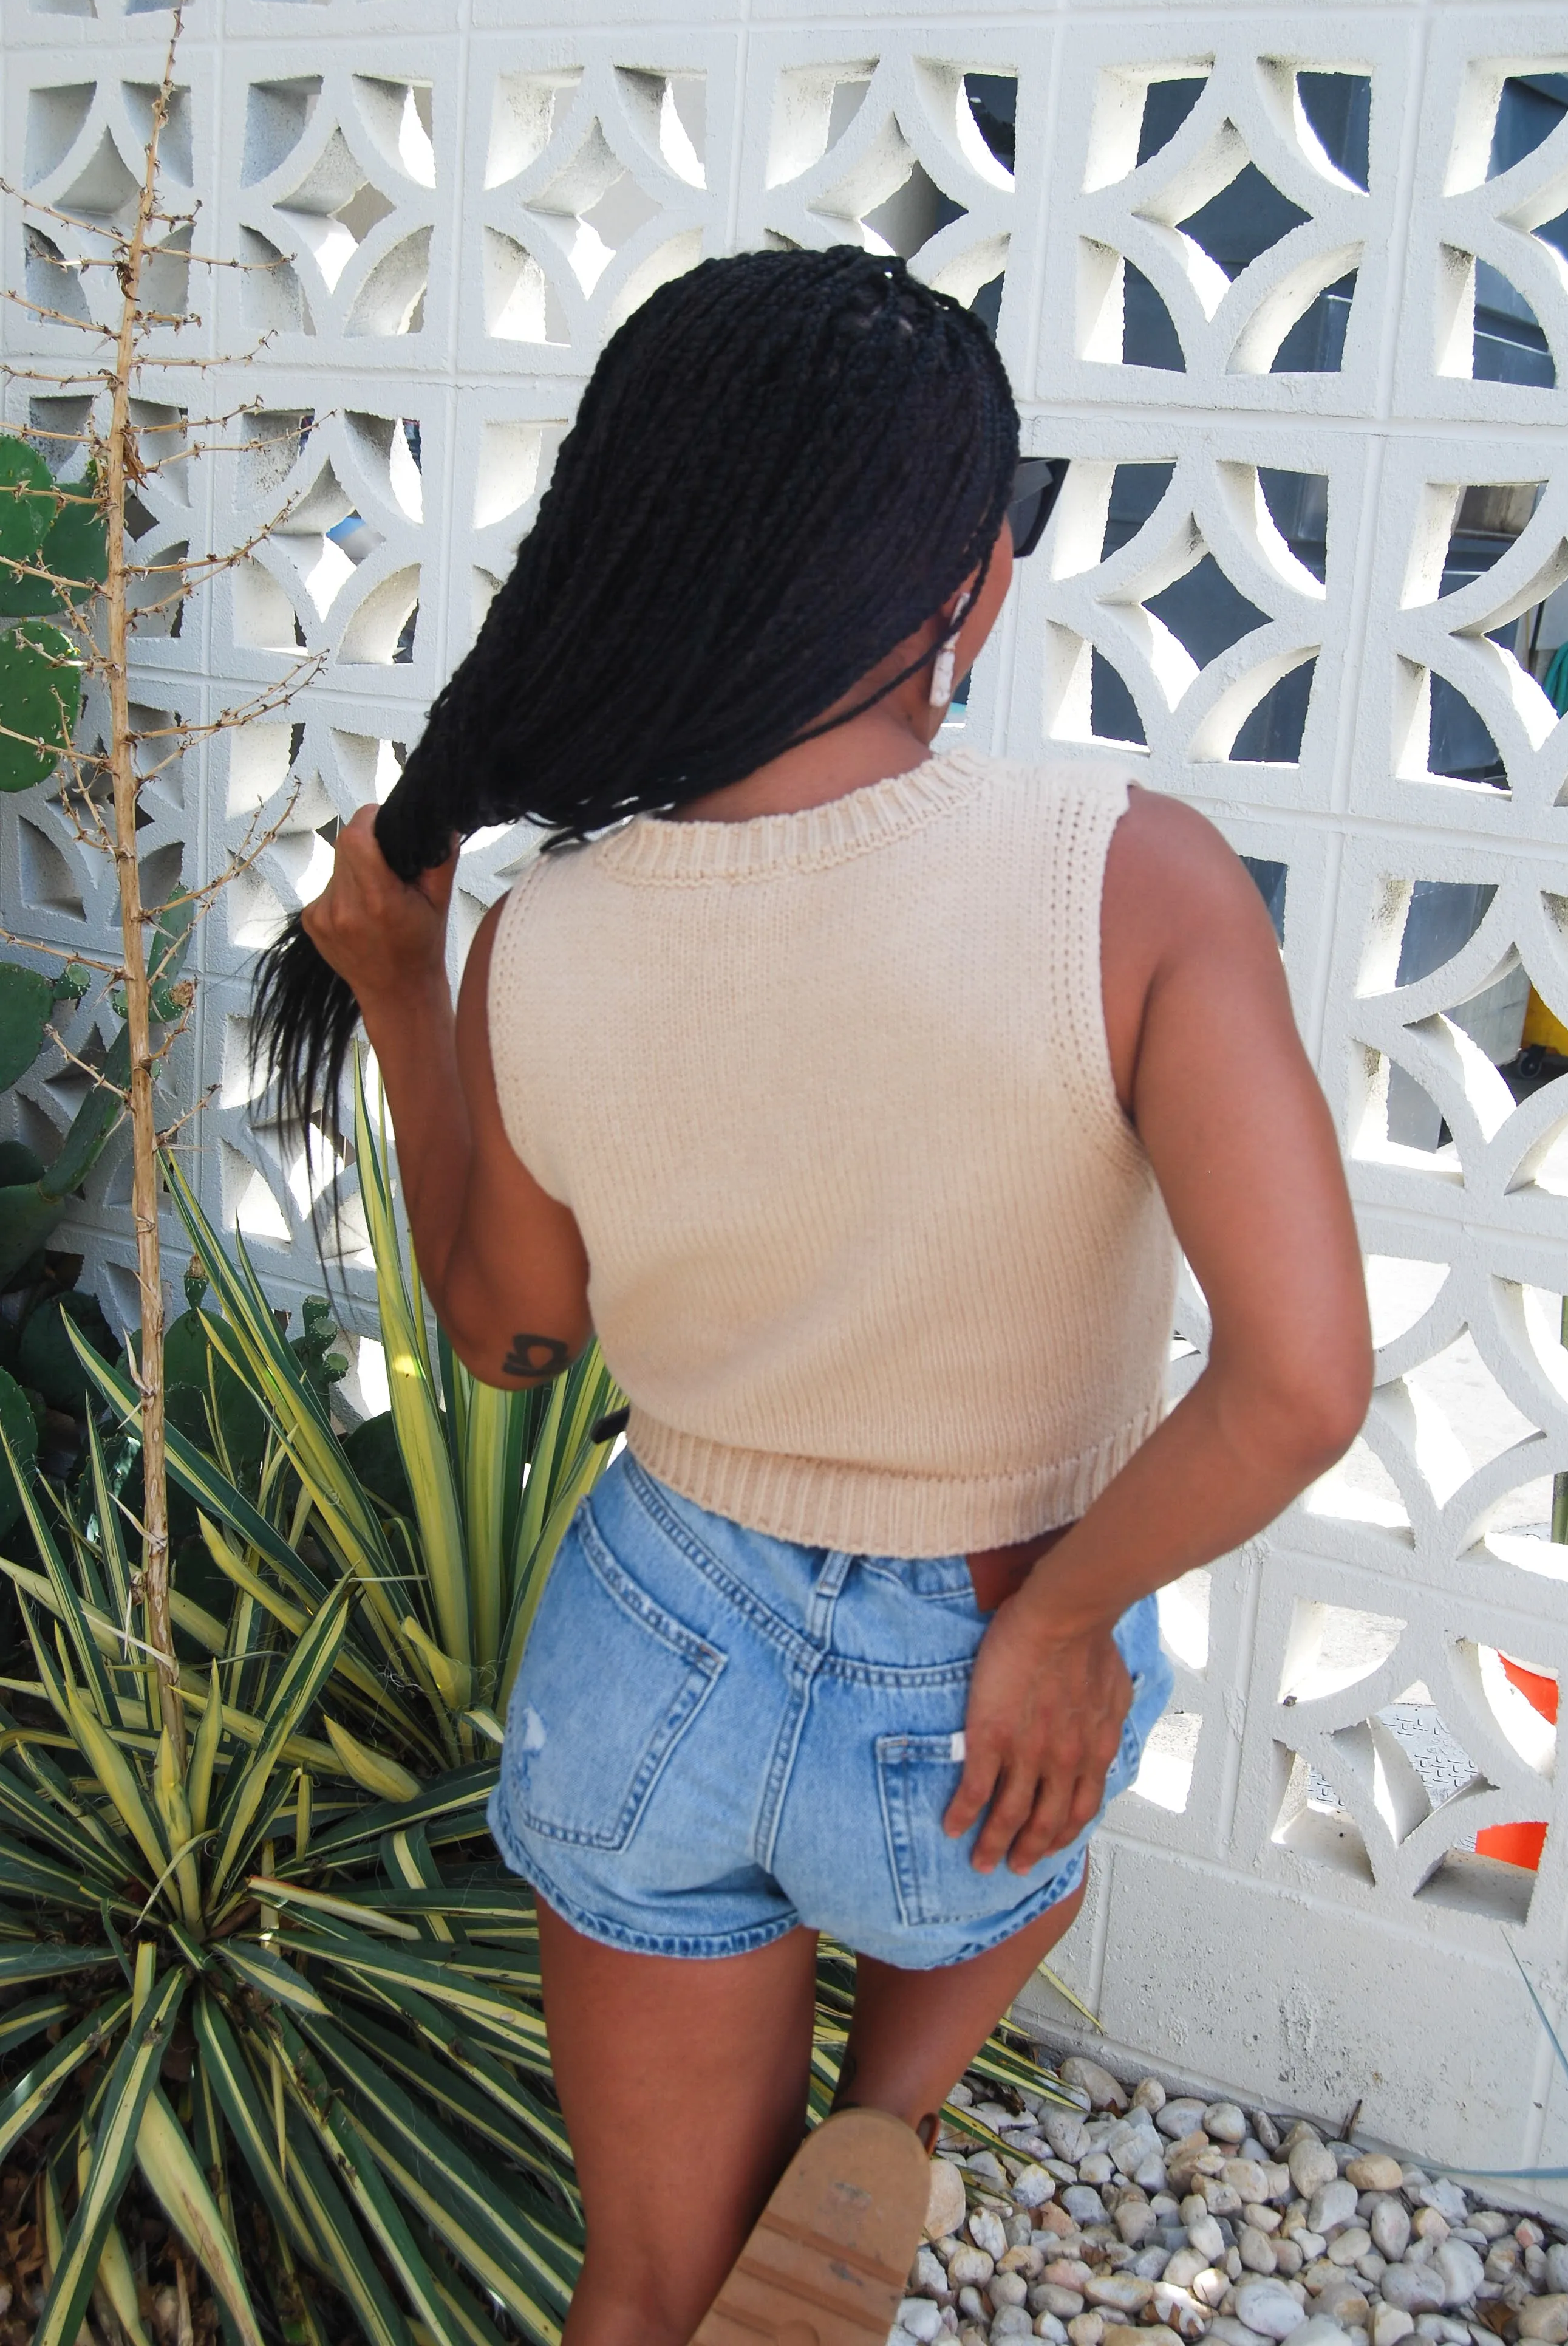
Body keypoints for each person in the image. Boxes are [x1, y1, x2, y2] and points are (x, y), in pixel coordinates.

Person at [255, 248, 1372, 2346]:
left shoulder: (544, 937)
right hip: (960, 1727)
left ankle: (770, 2208)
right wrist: (1046, 1624)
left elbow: (508, 1346)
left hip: (641, 1662)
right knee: (1068, 1739)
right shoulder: (1130, 874)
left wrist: (404, 1003)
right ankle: (888, 2117)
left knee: (646, 2281)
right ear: (966, 579)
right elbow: (1301, 1386)